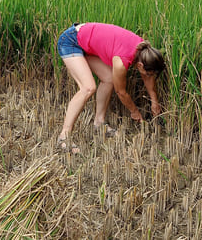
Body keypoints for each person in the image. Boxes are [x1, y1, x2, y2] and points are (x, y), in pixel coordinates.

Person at [56, 22, 166, 153]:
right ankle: (64, 137)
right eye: (149, 73)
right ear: (141, 66)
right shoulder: (122, 60)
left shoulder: (145, 52)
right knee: (88, 87)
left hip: (84, 41)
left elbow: (148, 77)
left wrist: (154, 102)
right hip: (71, 40)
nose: (150, 76)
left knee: (108, 79)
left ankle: (99, 123)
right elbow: (121, 92)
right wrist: (134, 111)